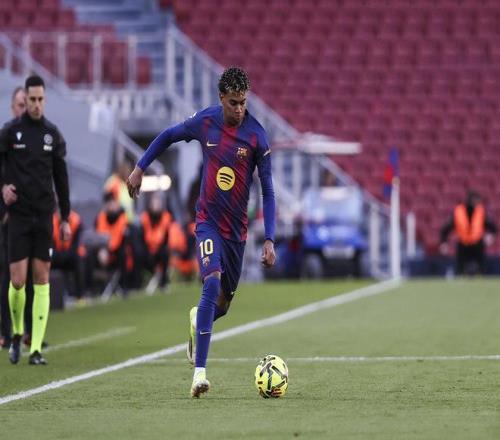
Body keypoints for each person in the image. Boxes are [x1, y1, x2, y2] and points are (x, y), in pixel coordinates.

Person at [127, 67, 276, 398]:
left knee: (222, 305)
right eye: (234, 102)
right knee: (211, 282)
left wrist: (269, 238)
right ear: (222, 98)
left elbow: (268, 190)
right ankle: (199, 374)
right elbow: (168, 135)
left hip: (236, 232)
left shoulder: (256, 136)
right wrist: (140, 167)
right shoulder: (205, 122)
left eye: (244, 102)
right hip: (207, 222)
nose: (239, 109)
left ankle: (198, 320)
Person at [0, 75, 71, 365]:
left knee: (41, 280)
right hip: (19, 216)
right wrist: (2, 188)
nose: (36, 104)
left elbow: (61, 178)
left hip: (44, 216)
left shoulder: (52, 134)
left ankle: (36, 348)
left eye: (41, 99)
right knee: (17, 281)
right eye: (32, 99)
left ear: (45, 99)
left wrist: (65, 217)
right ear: (25, 99)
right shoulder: (10, 132)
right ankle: (17, 333)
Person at [0, 86, 37, 351]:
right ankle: (7, 332)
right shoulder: (6, 137)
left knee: (32, 277)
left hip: (32, 217)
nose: (25, 109)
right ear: (13, 108)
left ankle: (30, 333)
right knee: (9, 276)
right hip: (9, 218)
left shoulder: (39, 136)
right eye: (21, 105)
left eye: (28, 104)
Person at [439, 190, 497, 275]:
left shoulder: (480, 211)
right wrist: (444, 242)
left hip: (477, 243)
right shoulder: (459, 211)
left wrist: (491, 236)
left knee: (481, 268)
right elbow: (446, 228)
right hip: (463, 243)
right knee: (460, 268)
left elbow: (493, 227)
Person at [139, 193, 172, 294]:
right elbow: (142, 237)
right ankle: (149, 278)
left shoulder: (166, 217)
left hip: (160, 248)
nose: (156, 206)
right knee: (140, 254)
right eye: (154, 203)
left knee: (165, 253)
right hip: (148, 248)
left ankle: (163, 282)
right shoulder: (145, 217)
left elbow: (166, 238)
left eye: (158, 203)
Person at [52, 208, 85, 301]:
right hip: (57, 255)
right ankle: (53, 298)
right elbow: (51, 245)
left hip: (71, 255)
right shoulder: (52, 221)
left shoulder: (76, 220)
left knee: (78, 261)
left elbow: (76, 245)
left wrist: (65, 255)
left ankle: (80, 296)